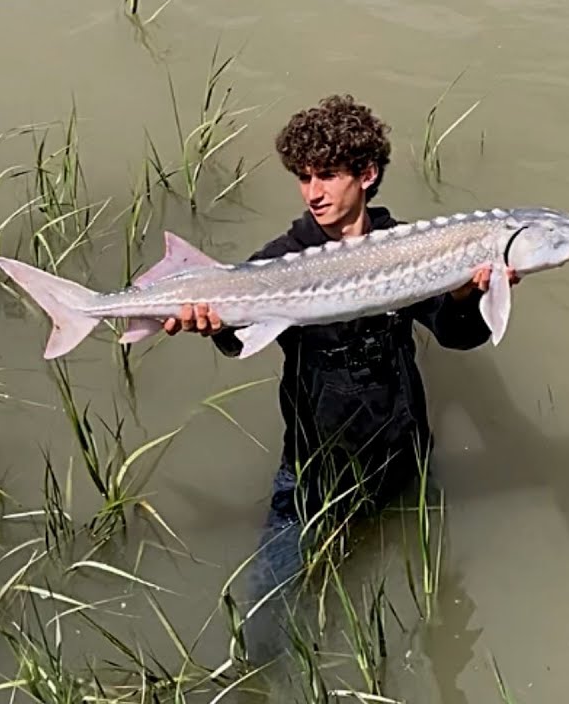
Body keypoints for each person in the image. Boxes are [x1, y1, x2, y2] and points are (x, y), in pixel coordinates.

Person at [163, 94, 519, 660]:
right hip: (312, 467)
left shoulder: (413, 245)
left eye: (327, 175)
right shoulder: (281, 258)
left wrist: (463, 291)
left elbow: (455, 334)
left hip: (403, 459)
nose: (313, 192)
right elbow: (240, 338)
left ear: (367, 174)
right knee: (263, 625)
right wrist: (213, 325)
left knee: (429, 605)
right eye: (304, 177)